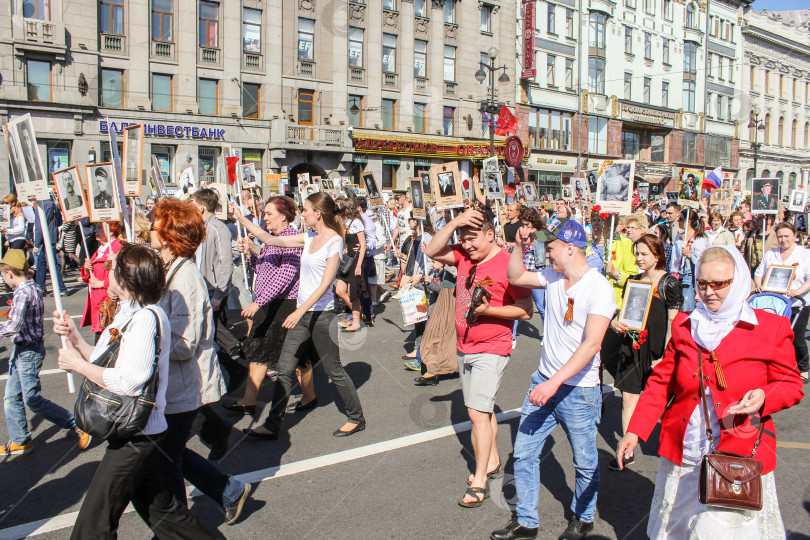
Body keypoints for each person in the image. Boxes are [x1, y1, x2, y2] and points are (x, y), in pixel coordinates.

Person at [616, 246, 804, 539]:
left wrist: (765, 396)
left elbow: (790, 384)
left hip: (737, 454)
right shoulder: (685, 323)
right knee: (675, 528)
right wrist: (635, 431)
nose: (708, 292)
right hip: (686, 447)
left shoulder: (770, 328)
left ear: (738, 281)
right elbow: (662, 382)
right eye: (702, 284)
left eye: (719, 284)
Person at [52, 244, 216, 539]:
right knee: (167, 516)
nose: (107, 273)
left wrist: (78, 366)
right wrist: (75, 339)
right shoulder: (129, 313)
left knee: (93, 524)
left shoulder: (145, 319)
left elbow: (130, 382)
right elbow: (103, 357)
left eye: (111, 268)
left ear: (124, 281)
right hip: (139, 433)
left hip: (138, 436)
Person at [495, 221, 615, 540]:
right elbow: (516, 276)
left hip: (579, 390)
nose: (545, 252)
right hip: (544, 380)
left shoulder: (598, 287)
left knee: (585, 461)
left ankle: (584, 518)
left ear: (570, 248)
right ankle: (526, 522)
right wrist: (519, 245)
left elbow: (591, 344)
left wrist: (553, 383)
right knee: (523, 452)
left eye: (551, 247)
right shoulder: (552, 276)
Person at [150, 199, 250, 525]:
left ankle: (180, 525)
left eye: (156, 224)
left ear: (169, 234)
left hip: (183, 385)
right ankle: (229, 490)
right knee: (169, 453)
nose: (150, 229)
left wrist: (148, 334)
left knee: (165, 457)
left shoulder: (185, 278)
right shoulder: (172, 270)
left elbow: (185, 344)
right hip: (173, 384)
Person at [234, 192, 366, 439]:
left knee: (334, 371)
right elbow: (269, 240)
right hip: (302, 316)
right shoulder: (309, 237)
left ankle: (356, 418)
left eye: (305, 210)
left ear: (318, 213)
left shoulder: (334, 241)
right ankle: (273, 425)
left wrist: (299, 310)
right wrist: (241, 217)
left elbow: (326, 284)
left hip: (321, 316)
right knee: (284, 370)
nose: (302, 214)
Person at [423, 208, 532, 508]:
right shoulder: (462, 255)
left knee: (475, 415)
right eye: (462, 239)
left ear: (490, 234)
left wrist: (488, 311)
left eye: (472, 239)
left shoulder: (509, 265)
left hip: (492, 347)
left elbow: (525, 310)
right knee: (483, 412)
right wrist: (456, 222)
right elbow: (431, 250)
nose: (466, 245)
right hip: (463, 345)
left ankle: (481, 479)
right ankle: (494, 461)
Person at [0, 249, 91, 457]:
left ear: (10, 274)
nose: (4, 280)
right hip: (24, 349)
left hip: (29, 351)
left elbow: (14, 326)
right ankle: (20, 440)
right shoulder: (31, 287)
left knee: (31, 398)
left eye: (4, 276)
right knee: (12, 397)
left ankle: (76, 424)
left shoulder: (23, 292)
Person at [602, 235, 682, 471]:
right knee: (629, 398)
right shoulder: (633, 281)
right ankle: (627, 451)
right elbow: (625, 311)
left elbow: (673, 322)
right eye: (637, 253)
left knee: (663, 402)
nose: (639, 258)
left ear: (657, 255)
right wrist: (616, 323)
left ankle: (673, 446)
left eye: (644, 254)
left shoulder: (669, 283)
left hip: (658, 351)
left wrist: (667, 355)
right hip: (633, 347)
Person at [224, 196, 304, 414]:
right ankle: (248, 401)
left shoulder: (292, 238)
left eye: (269, 214)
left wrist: (258, 303)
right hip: (269, 303)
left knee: (294, 356)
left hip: (284, 304)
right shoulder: (275, 238)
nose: (265, 218)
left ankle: (309, 395)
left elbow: (284, 277)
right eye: (264, 213)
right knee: (259, 352)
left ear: (284, 215)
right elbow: (264, 269)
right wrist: (250, 253)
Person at [190, 189, 247, 391]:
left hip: (212, 290)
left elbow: (225, 264)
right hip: (200, 288)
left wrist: (219, 294)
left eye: (192, 204)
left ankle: (236, 364)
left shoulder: (218, 228)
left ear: (201, 207)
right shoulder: (199, 227)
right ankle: (233, 363)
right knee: (207, 334)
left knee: (207, 333)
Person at [754, 221, 810, 383]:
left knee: (797, 337)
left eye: (787, 236)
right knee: (775, 337)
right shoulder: (771, 254)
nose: (783, 239)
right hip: (775, 303)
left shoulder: (804, 254)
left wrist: (796, 292)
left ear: (794, 236)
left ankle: (803, 368)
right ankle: (779, 366)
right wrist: (759, 285)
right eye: (780, 236)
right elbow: (759, 272)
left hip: (798, 303)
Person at [80, 221, 122, 341]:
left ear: (111, 230)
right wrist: (87, 269)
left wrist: (102, 284)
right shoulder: (102, 248)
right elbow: (87, 275)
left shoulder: (117, 246)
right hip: (98, 302)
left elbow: (123, 275)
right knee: (101, 339)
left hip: (108, 301)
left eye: (99, 228)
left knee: (106, 339)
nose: (95, 231)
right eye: (96, 227)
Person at [334, 198, 367, 332]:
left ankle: (356, 321)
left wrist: (358, 265)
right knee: (340, 290)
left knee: (352, 292)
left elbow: (363, 245)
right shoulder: (344, 221)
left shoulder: (357, 222)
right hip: (348, 259)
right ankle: (359, 313)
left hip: (356, 260)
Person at [673, 209, 707, 312]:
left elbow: (701, 261)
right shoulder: (679, 237)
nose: (678, 221)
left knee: (687, 307)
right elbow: (674, 258)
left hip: (690, 277)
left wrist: (689, 255)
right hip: (678, 275)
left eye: (681, 219)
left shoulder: (699, 239)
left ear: (688, 222)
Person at [33, 198, 67, 296]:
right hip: (52, 235)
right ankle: (41, 287)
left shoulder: (40, 206)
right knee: (42, 262)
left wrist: (36, 244)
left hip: (45, 237)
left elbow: (39, 227)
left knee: (51, 263)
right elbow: (59, 221)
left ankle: (61, 288)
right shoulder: (53, 204)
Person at [605, 216, 642, 308]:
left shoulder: (625, 243)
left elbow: (633, 277)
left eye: (633, 228)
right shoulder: (588, 244)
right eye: (594, 220)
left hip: (614, 302)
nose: (597, 224)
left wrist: (615, 272)